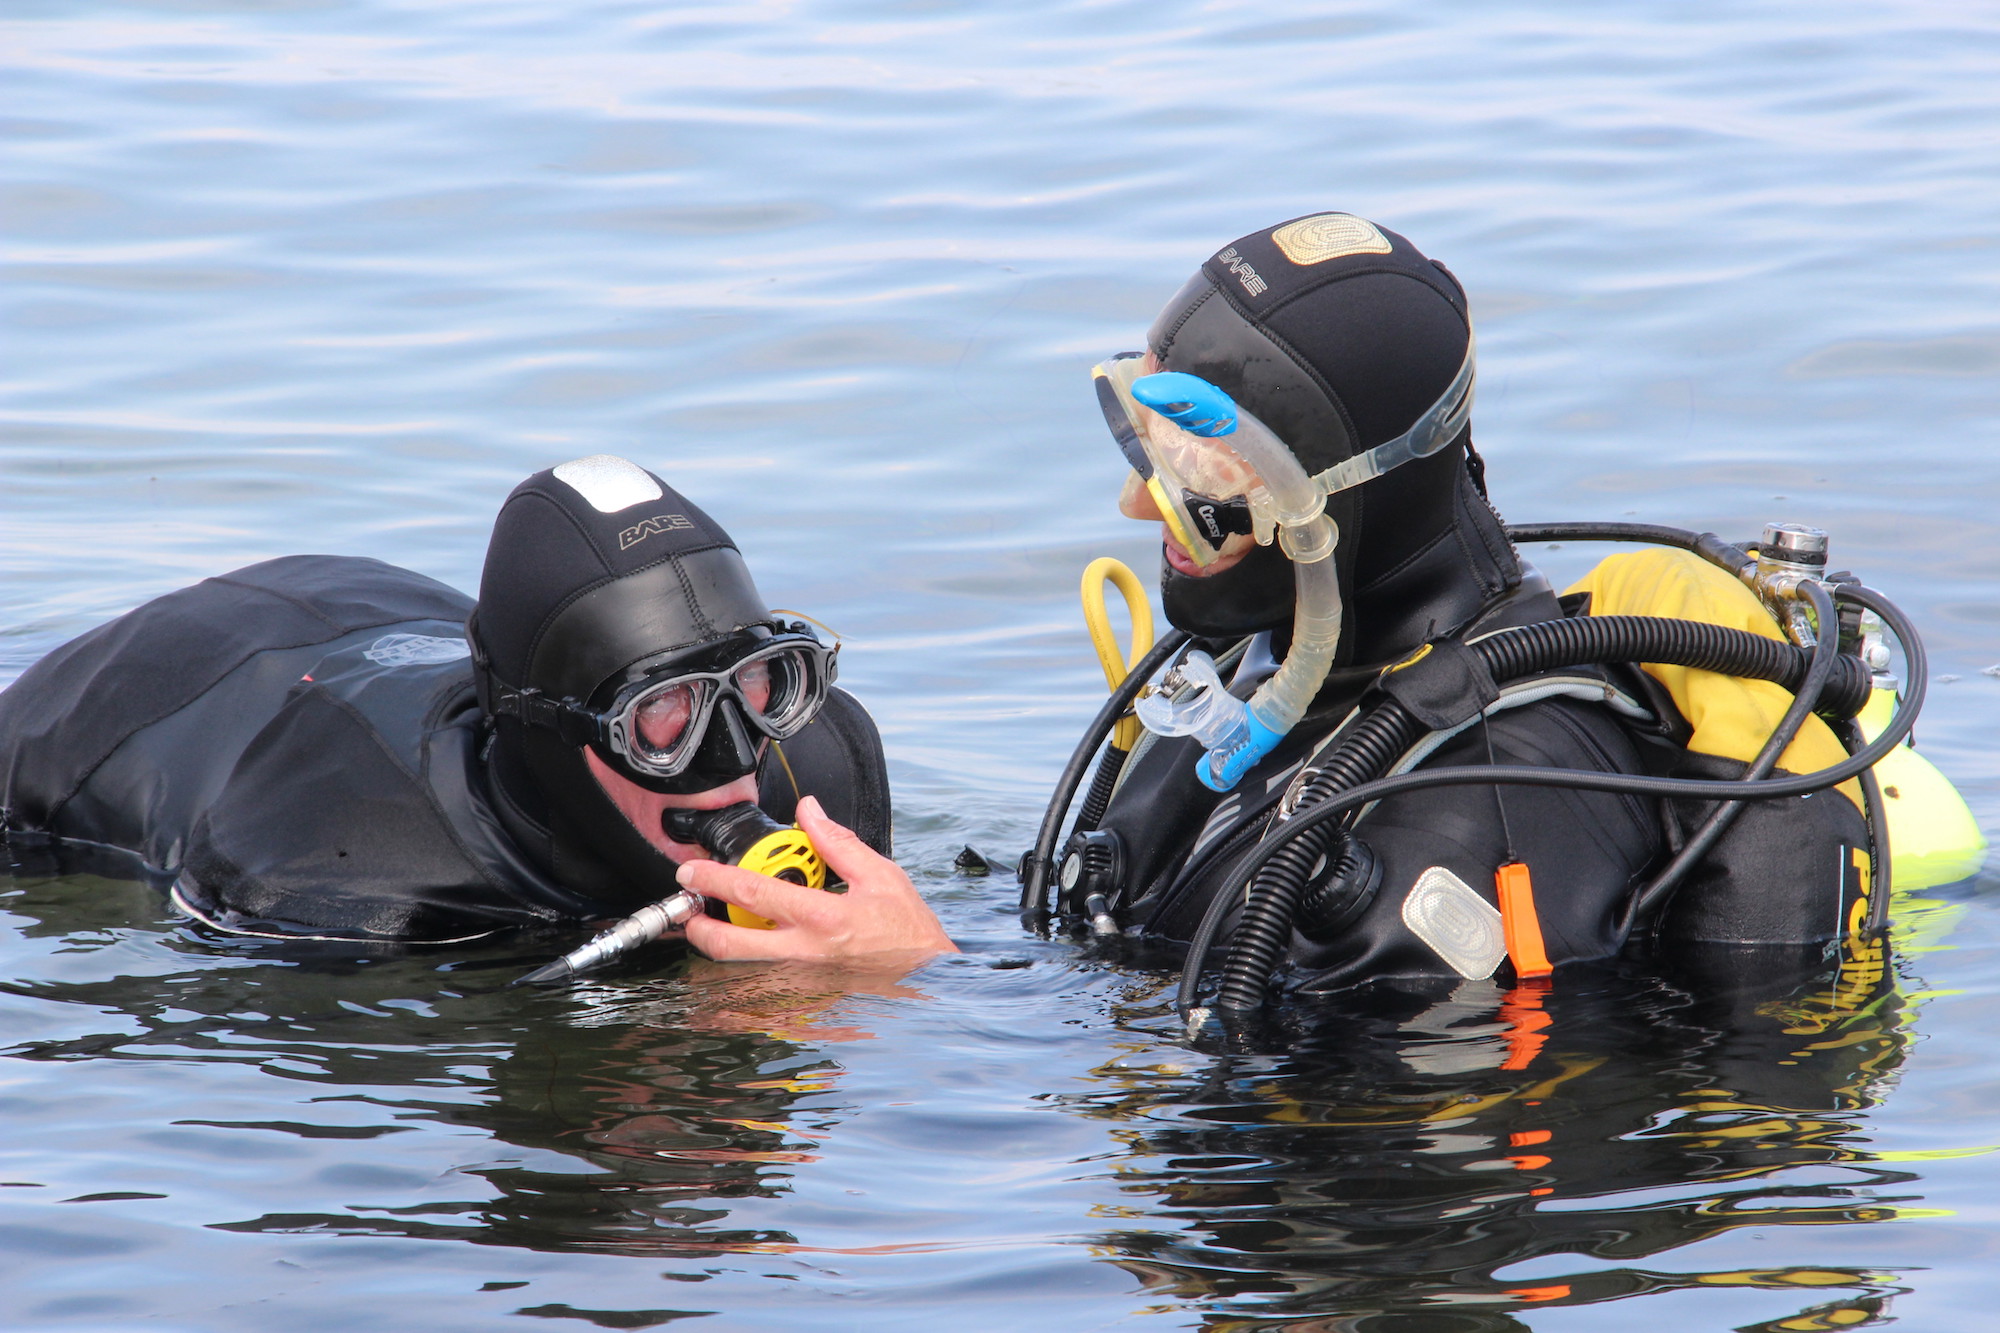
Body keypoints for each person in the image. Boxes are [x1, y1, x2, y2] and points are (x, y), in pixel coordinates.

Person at [1047, 211, 1882, 1002]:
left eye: (1206, 470)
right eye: (1149, 443)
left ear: (1340, 491)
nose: (1139, 503)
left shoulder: (1487, 813)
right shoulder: (1258, 669)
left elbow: (1306, 1123)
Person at [0, 455, 955, 964]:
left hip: (380, 607)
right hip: (165, 693)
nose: (735, 757)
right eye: (660, 713)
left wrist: (911, 964)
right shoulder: (337, 880)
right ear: (548, 727)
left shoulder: (816, 775)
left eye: (757, 685)